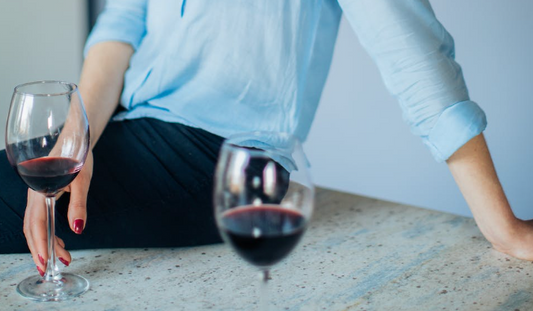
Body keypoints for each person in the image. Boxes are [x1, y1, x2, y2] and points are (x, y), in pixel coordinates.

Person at [1, 0, 531, 276]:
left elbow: (412, 53)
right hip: (131, 128)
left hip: (225, 160)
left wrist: (501, 226)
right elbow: (118, 29)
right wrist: (79, 137)